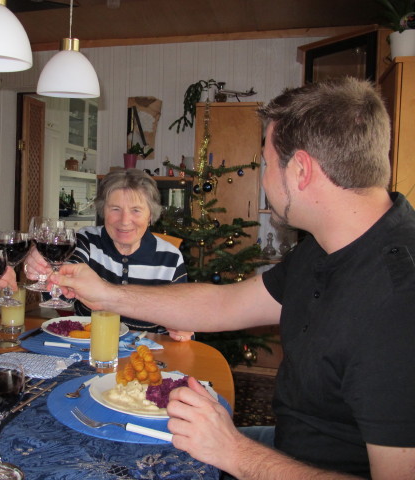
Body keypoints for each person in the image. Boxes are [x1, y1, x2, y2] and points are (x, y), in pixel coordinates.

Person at [50, 78, 415, 479]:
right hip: (290, 446)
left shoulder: (398, 300)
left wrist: (234, 452)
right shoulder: (326, 246)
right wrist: (106, 294)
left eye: (265, 162)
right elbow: (227, 304)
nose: (263, 177)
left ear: (301, 170)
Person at [25, 168, 194, 341]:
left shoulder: (170, 258)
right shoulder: (87, 240)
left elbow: (183, 317)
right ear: (102, 210)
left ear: (150, 215)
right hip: (90, 347)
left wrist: (183, 330)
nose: (125, 220)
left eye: (136, 210)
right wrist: (46, 267)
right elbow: (62, 292)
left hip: (145, 351)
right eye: (115, 209)